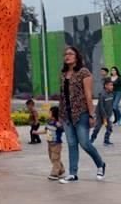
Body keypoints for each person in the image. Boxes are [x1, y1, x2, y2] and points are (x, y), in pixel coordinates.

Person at [58, 46, 106, 183]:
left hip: (81, 113)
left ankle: (100, 164)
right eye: (65, 54)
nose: (67, 56)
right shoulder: (63, 74)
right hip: (66, 114)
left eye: (70, 54)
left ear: (77, 56)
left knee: (84, 143)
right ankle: (73, 173)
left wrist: (92, 115)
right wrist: (59, 115)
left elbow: (88, 95)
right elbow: (62, 95)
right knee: (71, 143)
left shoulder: (84, 72)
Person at [90, 79, 114, 145]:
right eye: (110, 85)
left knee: (109, 128)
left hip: (108, 115)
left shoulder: (111, 94)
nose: (112, 87)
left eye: (112, 85)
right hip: (100, 115)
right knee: (97, 128)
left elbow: (111, 105)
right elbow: (101, 106)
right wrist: (104, 117)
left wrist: (110, 114)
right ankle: (92, 139)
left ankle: (106, 140)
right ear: (106, 86)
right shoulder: (102, 94)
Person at [45, 105, 65, 180]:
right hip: (50, 144)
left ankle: (55, 174)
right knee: (52, 158)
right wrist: (36, 132)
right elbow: (45, 130)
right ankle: (61, 169)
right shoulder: (49, 122)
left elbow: (63, 130)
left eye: (50, 112)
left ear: (54, 114)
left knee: (55, 158)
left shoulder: (57, 123)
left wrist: (61, 126)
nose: (48, 114)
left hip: (56, 144)